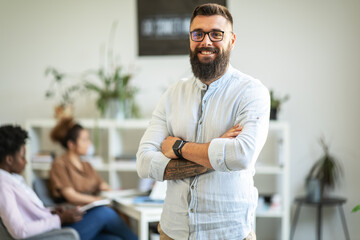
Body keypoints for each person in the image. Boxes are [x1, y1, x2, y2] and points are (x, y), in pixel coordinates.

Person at [136, 3, 269, 240]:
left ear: (232, 40)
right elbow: (145, 162)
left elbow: (241, 155)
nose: (206, 42)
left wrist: (178, 148)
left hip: (229, 233)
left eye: (216, 34)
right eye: (198, 33)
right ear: (190, 38)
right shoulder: (173, 94)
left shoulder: (251, 92)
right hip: (173, 232)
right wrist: (216, 153)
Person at [48, 118, 138, 240]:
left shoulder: (87, 165)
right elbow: (71, 195)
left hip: (91, 219)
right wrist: (97, 199)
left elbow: (102, 185)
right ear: (71, 144)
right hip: (74, 221)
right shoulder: (60, 164)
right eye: (84, 140)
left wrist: (114, 192)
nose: (89, 143)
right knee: (104, 213)